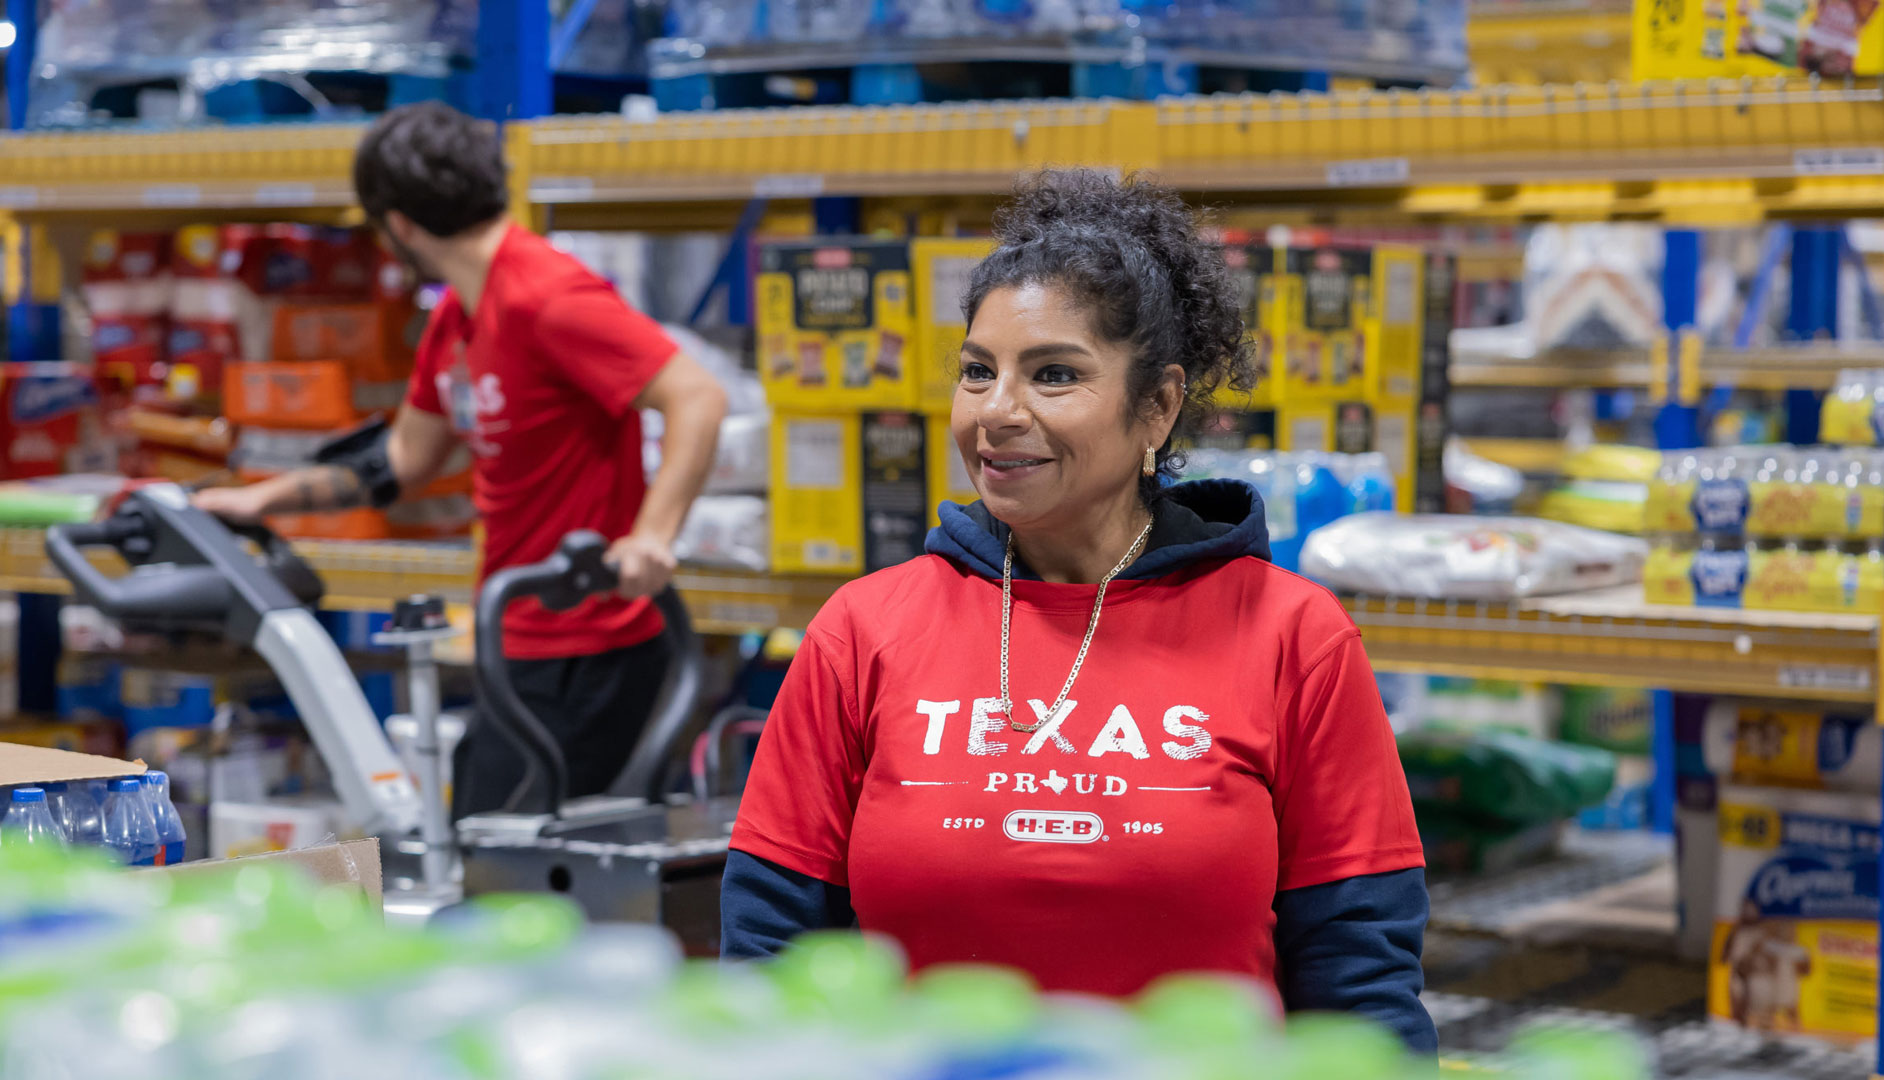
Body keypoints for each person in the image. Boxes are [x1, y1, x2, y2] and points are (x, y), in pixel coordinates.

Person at [719, 170, 1435, 1052]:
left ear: (1158, 408)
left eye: (1054, 375)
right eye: (978, 372)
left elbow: (1360, 975)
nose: (998, 412)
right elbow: (772, 952)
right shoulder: (863, 631)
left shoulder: (1295, 637)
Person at [196, 102, 728, 818]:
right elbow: (403, 459)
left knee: (513, 872)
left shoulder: (548, 297)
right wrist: (261, 500)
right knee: (485, 849)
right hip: (516, 639)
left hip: (591, 649)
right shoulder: (458, 318)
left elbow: (697, 395)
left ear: (401, 226)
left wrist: (652, 535)